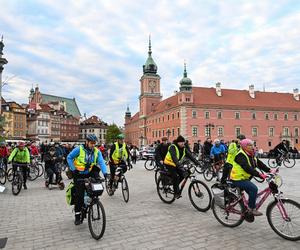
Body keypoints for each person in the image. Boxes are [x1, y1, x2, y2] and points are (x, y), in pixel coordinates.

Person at [67, 134, 107, 225]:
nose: (93, 145)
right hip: (78, 174)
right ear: (87, 142)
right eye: (91, 143)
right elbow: (69, 157)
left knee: (96, 188)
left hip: (89, 172)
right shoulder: (79, 149)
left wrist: (105, 173)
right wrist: (73, 169)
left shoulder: (97, 151)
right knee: (79, 196)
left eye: (94, 143)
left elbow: (101, 162)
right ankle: (77, 215)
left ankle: (93, 200)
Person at [230, 139, 272, 216]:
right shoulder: (240, 155)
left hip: (244, 178)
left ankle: (246, 207)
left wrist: (269, 170)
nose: (252, 147)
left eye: (252, 145)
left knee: (254, 195)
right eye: (249, 145)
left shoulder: (251, 155)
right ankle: (251, 209)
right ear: (244, 147)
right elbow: (247, 167)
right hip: (237, 178)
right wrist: (259, 175)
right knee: (253, 189)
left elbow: (259, 164)